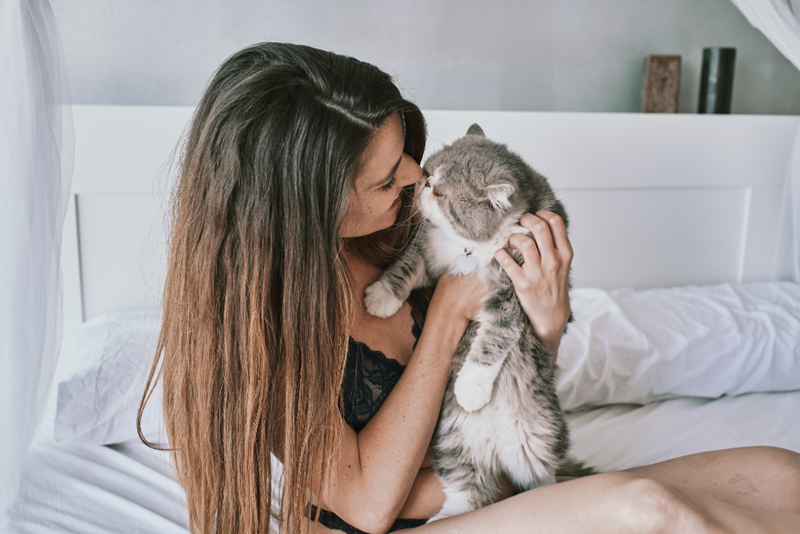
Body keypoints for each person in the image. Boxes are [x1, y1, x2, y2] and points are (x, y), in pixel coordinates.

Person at [139, 42, 800, 534]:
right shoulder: (257, 326)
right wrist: (451, 315)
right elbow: (369, 506)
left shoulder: (399, 234)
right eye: (382, 180)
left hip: (483, 484)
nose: (412, 177)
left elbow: (504, 388)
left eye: (404, 151)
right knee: (650, 512)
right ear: (302, 206)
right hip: (397, 525)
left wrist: (544, 317)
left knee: (780, 474)